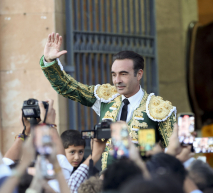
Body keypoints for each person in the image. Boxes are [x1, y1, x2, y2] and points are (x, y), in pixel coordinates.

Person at [41, 33, 176, 170]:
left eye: (123, 74)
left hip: (141, 186)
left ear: (139, 74)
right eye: (114, 74)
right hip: (107, 181)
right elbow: (68, 87)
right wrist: (49, 62)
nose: (117, 80)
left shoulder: (158, 108)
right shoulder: (106, 97)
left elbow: (175, 153)